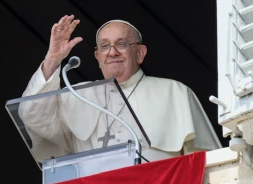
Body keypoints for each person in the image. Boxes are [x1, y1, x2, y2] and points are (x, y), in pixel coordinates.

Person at [19, 15, 222, 163]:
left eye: (122, 44)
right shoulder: (77, 95)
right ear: (97, 57)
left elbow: (207, 163)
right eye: (105, 46)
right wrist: (53, 59)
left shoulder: (174, 92)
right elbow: (32, 116)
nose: (112, 52)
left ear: (140, 54)